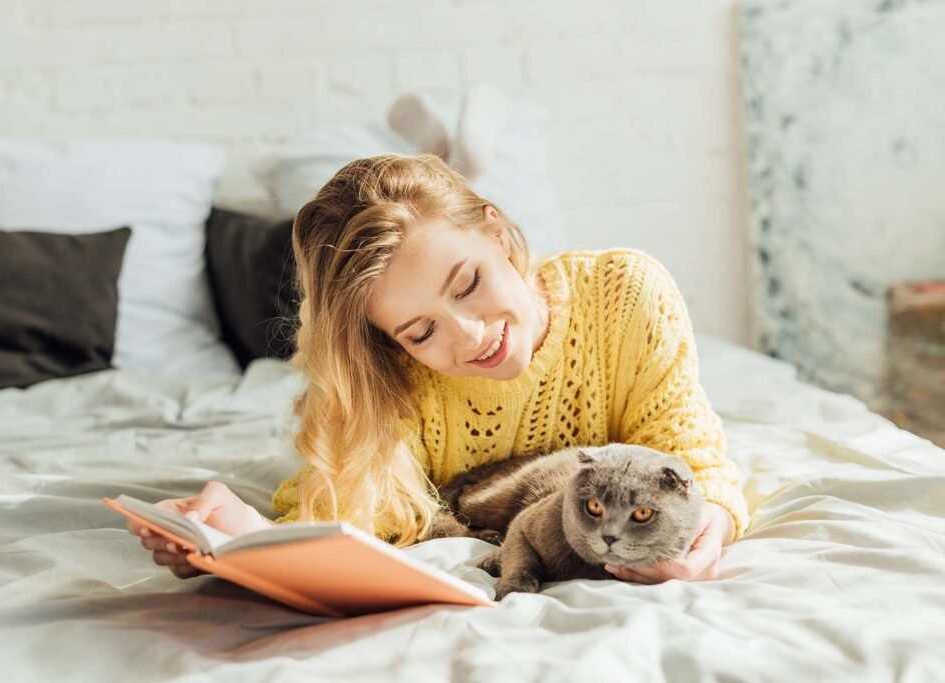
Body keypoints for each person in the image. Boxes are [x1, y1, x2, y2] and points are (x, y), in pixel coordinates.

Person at [128, 149, 750, 586]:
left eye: (468, 283)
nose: (471, 336)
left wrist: (708, 534)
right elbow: (344, 514)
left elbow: (694, 461)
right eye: (421, 331)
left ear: (496, 232)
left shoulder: (625, 294)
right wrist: (240, 535)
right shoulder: (389, 377)